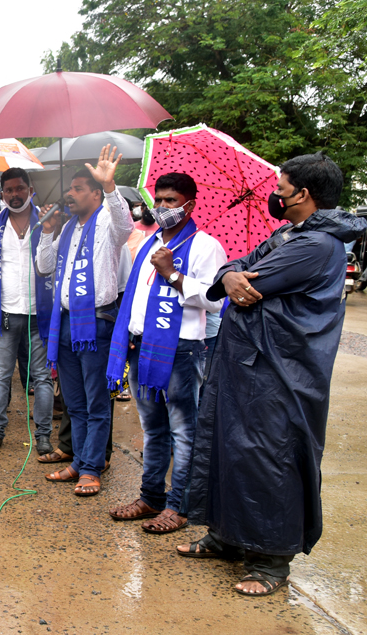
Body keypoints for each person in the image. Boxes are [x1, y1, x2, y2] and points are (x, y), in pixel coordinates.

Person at [179, 154, 366, 596]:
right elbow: (236, 268)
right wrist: (228, 278)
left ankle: (269, 560)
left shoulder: (317, 246)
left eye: (281, 186)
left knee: (270, 457)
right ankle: (226, 535)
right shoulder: (288, 233)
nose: (275, 194)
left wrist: (236, 277)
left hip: (281, 371)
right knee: (230, 450)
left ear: (302, 194)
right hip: (247, 365)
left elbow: (257, 276)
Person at [104, 173, 226, 533]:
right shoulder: (151, 243)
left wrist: (172, 274)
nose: (161, 207)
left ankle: (180, 506)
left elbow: (215, 300)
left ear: (189, 205)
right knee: (153, 429)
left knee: (183, 431)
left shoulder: (205, 246)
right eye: (158, 200)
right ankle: (151, 497)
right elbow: (137, 296)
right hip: (143, 348)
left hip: (181, 351)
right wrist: (129, 332)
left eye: (171, 201)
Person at [37, 146, 132, 497]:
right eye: (70, 188)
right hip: (64, 325)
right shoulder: (68, 230)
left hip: (95, 325)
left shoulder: (107, 222)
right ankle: (78, 461)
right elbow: (45, 266)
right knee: (74, 404)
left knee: (96, 403)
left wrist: (110, 187)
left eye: (78, 188)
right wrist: (48, 231)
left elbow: (126, 224)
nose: (70, 194)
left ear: (95, 193)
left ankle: (92, 468)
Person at [0, 170, 56, 452]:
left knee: (41, 377)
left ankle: (43, 435)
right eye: (9, 190)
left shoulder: (47, 220)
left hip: (39, 313)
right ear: (2, 193)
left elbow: (52, 262)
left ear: (30, 189)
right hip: (4, 313)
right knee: (1, 376)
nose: (15, 195)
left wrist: (51, 229)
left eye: (20, 189)